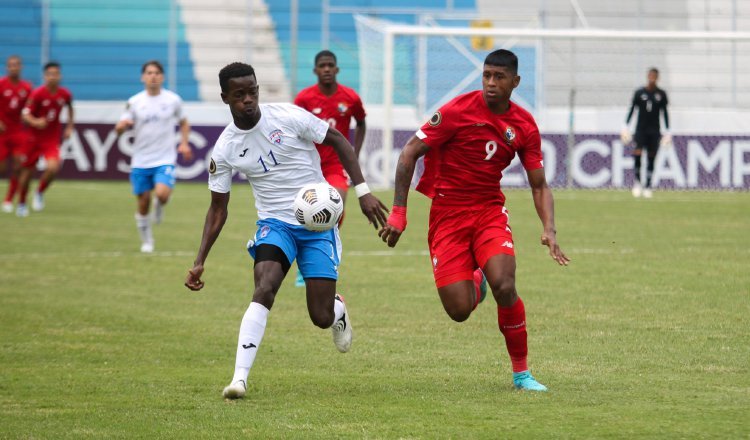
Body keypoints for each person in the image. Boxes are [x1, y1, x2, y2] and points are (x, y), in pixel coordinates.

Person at [184, 62, 388, 400]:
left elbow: (338, 139)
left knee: (320, 317)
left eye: (252, 92)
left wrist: (363, 191)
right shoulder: (225, 149)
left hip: (317, 224)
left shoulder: (289, 116)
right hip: (275, 225)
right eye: (239, 95)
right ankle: (239, 379)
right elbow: (218, 208)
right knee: (264, 288)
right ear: (225, 98)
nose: (248, 100)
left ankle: (337, 311)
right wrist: (199, 259)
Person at [379, 49, 569, 392]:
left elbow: (539, 184)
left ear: (515, 82)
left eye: (499, 77)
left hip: (488, 211)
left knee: (506, 285)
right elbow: (409, 152)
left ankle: (522, 374)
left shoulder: (524, 125)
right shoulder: (456, 111)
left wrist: (549, 229)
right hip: (448, 216)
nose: (491, 83)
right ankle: (476, 280)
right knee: (459, 310)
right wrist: (399, 212)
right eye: (487, 75)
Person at [292, 50, 367, 286]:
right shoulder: (304, 99)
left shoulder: (350, 97)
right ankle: (304, 264)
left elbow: (361, 122)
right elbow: (294, 127)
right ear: (315, 70)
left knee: (337, 205)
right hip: (310, 163)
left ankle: (323, 255)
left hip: (336, 163)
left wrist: (354, 153)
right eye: (322, 65)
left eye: (330, 65)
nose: (326, 69)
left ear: (336, 69)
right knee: (303, 211)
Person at [114, 60, 192, 253]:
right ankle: (147, 240)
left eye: (157, 72)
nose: (153, 76)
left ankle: (160, 204)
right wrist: (120, 128)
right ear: (143, 77)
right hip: (141, 160)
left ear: (162, 77)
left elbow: (184, 122)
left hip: (164, 158)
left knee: (162, 193)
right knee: (142, 203)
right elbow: (121, 126)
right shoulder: (134, 102)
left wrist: (184, 143)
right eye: (149, 73)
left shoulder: (173, 100)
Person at [17, 61, 74, 217]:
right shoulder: (37, 94)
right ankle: (22, 203)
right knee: (27, 173)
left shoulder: (64, 94)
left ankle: (39, 192)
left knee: (53, 168)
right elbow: (25, 114)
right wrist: (35, 122)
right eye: (49, 74)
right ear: (44, 76)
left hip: (51, 139)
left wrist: (69, 126)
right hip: (33, 139)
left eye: (55, 74)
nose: (52, 77)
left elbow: (70, 107)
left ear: (59, 76)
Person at [621, 67, 670, 199]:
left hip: (655, 131)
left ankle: (648, 185)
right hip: (640, 130)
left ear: (657, 78)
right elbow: (632, 110)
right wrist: (625, 126)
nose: (652, 78)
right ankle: (637, 182)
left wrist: (667, 131)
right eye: (650, 75)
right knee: (637, 153)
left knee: (651, 157)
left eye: (654, 76)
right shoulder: (639, 93)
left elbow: (664, 113)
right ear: (647, 76)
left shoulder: (661, 94)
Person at [0, 55, 33, 213]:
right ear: (7, 67)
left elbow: (31, 108)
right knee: (2, 167)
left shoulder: (26, 87)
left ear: (21, 67)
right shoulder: (1, 84)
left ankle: (9, 199)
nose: (14, 67)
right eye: (11, 65)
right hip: (2, 133)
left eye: (17, 65)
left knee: (19, 165)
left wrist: (29, 118)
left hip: (19, 132)